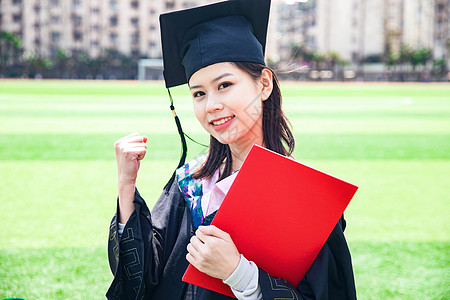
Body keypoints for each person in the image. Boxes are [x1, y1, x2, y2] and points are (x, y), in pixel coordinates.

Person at [106, 0, 357, 299]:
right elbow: (144, 277)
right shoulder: (189, 184)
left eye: (224, 85)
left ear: (263, 84)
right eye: (199, 93)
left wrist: (239, 273)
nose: (211, 105)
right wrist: (126, 186)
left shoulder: (304, 198)